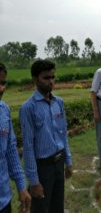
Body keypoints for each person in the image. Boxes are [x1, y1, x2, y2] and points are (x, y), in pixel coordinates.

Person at [19, 60, 72, 213]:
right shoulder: (28, 108)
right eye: (46, 78)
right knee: (41, 208)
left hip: (58, 161)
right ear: (35, 79)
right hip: (43, 167)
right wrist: (34, 181)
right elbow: (28, 147)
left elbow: (63, 134)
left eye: (53, 77)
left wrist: (68, 161)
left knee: (57, 206)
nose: (51, 81)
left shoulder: (58, 103)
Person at [0, 62, 31, 213]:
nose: (1, 88)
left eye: (3, 83)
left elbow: (11, 150)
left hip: (4, 199)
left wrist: (21, 186)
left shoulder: (4, 110)